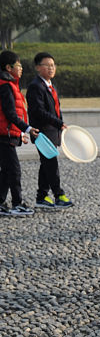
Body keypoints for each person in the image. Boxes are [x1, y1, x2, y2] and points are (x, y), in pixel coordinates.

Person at [26, 51, 72, 209]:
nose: (51, 68)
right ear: (38, 68)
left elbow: (56, 109)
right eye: (47, 65)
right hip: (42, 133)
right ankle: (59, 195)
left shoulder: (51, 86)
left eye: (53, 65)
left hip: (53, 132)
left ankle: (42, 196)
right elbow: (38, 111)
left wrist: (60, 123)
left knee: (46, 164)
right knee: (51, 164)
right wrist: (58, 122)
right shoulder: (35, 87)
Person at [0, 49, 38, 217]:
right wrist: (27, 129)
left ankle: (1, 202)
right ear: (8, 67)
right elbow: (10, 113)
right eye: (18, 65)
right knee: (14, 170)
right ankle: (17, 204)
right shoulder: (6, 86)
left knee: (7, 171)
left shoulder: (10, 84)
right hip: (4, 136)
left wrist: (19, 133)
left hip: (8, 134)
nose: (21, 68)